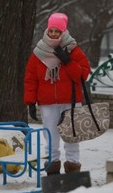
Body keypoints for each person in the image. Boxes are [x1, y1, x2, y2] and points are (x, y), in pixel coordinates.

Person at [23, 13, 90, 175]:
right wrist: (31, 101)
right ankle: (52, 166)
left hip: (71, 101)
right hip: (47, 102)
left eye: (57, 31)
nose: (53, 34)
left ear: (63, 31)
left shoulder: (73, 50)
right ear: (47, 30)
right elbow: (31, 78)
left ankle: (72, 165)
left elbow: (83, 75)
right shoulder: (39, 52)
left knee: (71, 135)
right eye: (51, 30)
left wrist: (67, 61)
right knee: (50, 136)